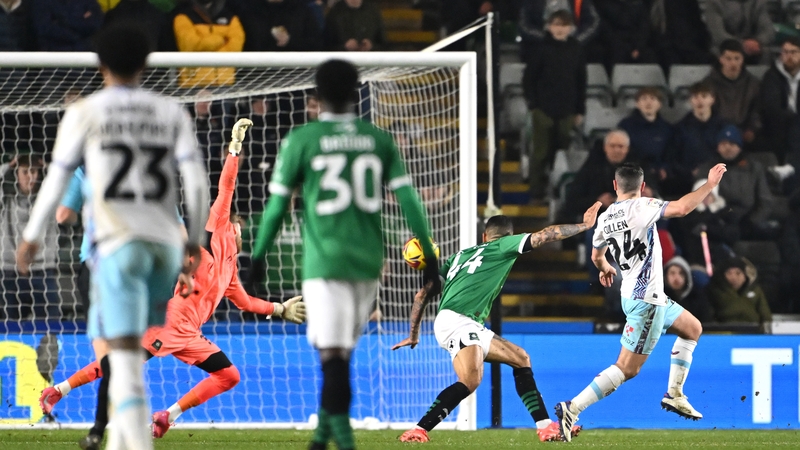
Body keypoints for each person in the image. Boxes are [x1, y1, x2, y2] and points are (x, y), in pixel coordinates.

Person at [39, 121, 306, 444]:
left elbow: (247, 303)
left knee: (229, 375)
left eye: (240, 225)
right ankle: (56, 391)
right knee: (118, 366)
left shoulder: (230, 273)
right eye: (237, 222)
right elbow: (227, 187)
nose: (239, 225)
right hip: (168, 325)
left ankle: (168, 415)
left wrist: (280, 308)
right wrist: (235, 149)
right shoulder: (213, 234)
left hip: (190, 335)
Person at [16, 23, 209, 450]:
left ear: (100, 64)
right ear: (146, 64)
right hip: (163, 248)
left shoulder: (86, 112)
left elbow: (57, 179)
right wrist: (193, 243)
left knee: (121, 360)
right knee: (130, 360)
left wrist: (31, 236)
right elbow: (196, 184)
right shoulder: (171, 112)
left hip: (117, 247)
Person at [251, 59, 439, 450]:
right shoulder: (378, 139)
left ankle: (343, 442)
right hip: (368, 263)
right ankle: (320, 440)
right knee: (340, 356)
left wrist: (257, 258)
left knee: (333, 361)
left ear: (316, 96)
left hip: (326, 263)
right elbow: (410, 201)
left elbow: (275, 209)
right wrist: (431, 261)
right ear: (357, 92)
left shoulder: (302, 139)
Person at [394, 206, 601, 443]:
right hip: (459, 320)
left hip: (461, 321)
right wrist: (584, 226)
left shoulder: (459, 257)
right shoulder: (503, 245)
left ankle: (546, 427)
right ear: (509, 235)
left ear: (484, 235)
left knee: (521, 358)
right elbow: (545, 234)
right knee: (470, 381)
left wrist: (413, 334)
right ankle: (419, 429)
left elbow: (421, 296)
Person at [556, 162, 728, 442]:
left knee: (692, 328)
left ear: (615, 186)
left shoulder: (606, 216)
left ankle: (675, 394)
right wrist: (709, 185)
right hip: (646, 300)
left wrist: (605, 269)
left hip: (639, 295)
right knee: (627, 368)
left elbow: (596, 256)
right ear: (643, 186)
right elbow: (682, 208)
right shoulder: (643, 205)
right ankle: (572, 409)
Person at [522, 9, 586, 200]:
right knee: (541, 151)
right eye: (556, 25)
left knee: (563, 150)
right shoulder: (540, 48)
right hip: (543, 108)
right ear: (549, 26)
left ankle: (559, 189)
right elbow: (529, 79)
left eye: (564, 25)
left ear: (570, 28)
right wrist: (533, 105)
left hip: (567, 109)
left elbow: (581, 81)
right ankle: (536, 189)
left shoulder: (576, 48)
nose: (559, 29)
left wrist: (579, 109)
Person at [0, 155, 60, 321]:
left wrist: (49, 167)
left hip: (42, 271)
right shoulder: (6, 201)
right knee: (9, 332)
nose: (30, 176)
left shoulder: (50, 201)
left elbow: (65, 185)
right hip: (9, 272)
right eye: (25, 172)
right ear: (17, 174)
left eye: (34, 171)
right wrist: (7, 166)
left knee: (51, 329)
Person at [696, 125, 776, 239]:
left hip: (747, 219)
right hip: (718, 219)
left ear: (739, 147)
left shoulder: (754, 168)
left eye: (732, 144)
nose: (728, 148)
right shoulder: (707, 169)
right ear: (717, 147)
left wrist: (751, 221)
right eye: (723, 144)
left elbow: (765, 201)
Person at [667, 82, 729, 197]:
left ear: (712, 99)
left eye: (704, 96)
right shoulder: (680, 128)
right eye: (696, 97)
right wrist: (690, 172)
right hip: (689, 183)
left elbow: (730, 156)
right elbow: (673, 160)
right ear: (690, 100)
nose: (700, 100)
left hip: (721, 182)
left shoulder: (724, 127)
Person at [173, 0, 245, 88]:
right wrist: (220, 40)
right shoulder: (183, 16)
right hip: (193, 86)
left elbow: (235, 48)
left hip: (225, 84)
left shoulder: (231, 17)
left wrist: (204, 44)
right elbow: (190, 46)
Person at [703, 40, 761, 145]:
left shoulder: (753, 83)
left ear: (742, 59)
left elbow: (757, 110)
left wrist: (751, 129)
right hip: (717, 133)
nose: (733, 63)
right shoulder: (708, 83)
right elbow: (707, 113)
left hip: (744, 132)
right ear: (721, 59)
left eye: (737, 58)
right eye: (728, 59)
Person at [760, 37, 800, 167]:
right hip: (779, 125)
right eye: (785, 52)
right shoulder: (771, 76)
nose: (789, 56)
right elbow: (771, 107)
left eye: (793, 52)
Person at [517, 0, 600, 62]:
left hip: (574, 50)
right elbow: (524, 24)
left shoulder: (579, 1)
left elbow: (593, 22)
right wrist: (546, 39)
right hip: (540, 50)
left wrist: (575, 41)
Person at [617, 87, 673, 178]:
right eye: (644, 98)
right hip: (634, 173)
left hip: (661, 175)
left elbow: (670, 154)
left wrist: (663, 167)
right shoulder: (626, 126)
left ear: (659, 104)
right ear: (637, 104)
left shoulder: (667, 128)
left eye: (652, 98)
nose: (648, 102)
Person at [705, 0, 775, 65]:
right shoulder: (715, 2)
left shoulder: (757, 2)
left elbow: (768, 30)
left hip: (753, 47)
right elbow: (718, 34)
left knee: (766, 51)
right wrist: (742, 44)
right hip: (725, 46)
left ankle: (764, 77)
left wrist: (758, 41)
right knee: (722, 52)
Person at [707, 256, 772, 323]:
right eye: (729, 273)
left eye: (738, 273)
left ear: (745, 275)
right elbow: (708, 316)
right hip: (724, 330)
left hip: (751, 330)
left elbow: (766, 316)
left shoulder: (756, 290)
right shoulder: (714, 291)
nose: (733, 277)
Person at [663, 256, 714, 323]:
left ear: (687, 276)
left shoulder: (697, 298)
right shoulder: (658, 298)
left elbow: (706, 322)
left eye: (681, 273)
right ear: (665, 276)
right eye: (672, 273)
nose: (676, 278)